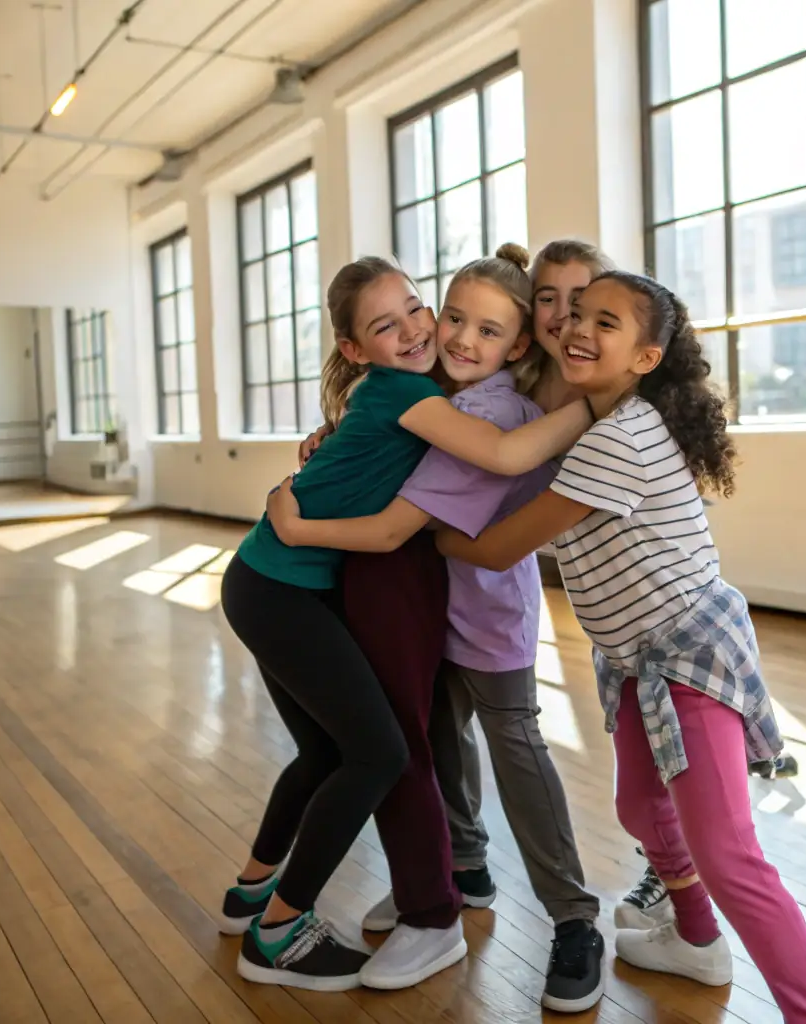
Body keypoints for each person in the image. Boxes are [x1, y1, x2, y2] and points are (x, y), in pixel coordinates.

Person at [435, 272, 806, 1022]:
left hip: (687, 657)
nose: (579, 328)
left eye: (607, 322)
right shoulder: (602, 420)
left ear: (647, 357)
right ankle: (692, 936)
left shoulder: (617, 440)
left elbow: (494, 551)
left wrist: (404, 522)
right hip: (633, 656)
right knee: (639, 806)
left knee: (728, 854)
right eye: (575, 314)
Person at [219, 255, 593, 992]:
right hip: (304, 587)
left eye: (419, 310)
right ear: (355, 347)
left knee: (369, 753)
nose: (436, 332)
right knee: (388, 750)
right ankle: (392, 899)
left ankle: (274, 902)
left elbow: (457, 486)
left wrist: (598, 399)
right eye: (444, 316)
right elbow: (401, 460)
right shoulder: (421, 394)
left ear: (517, 344)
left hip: (340, 582)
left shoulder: (460, 402)